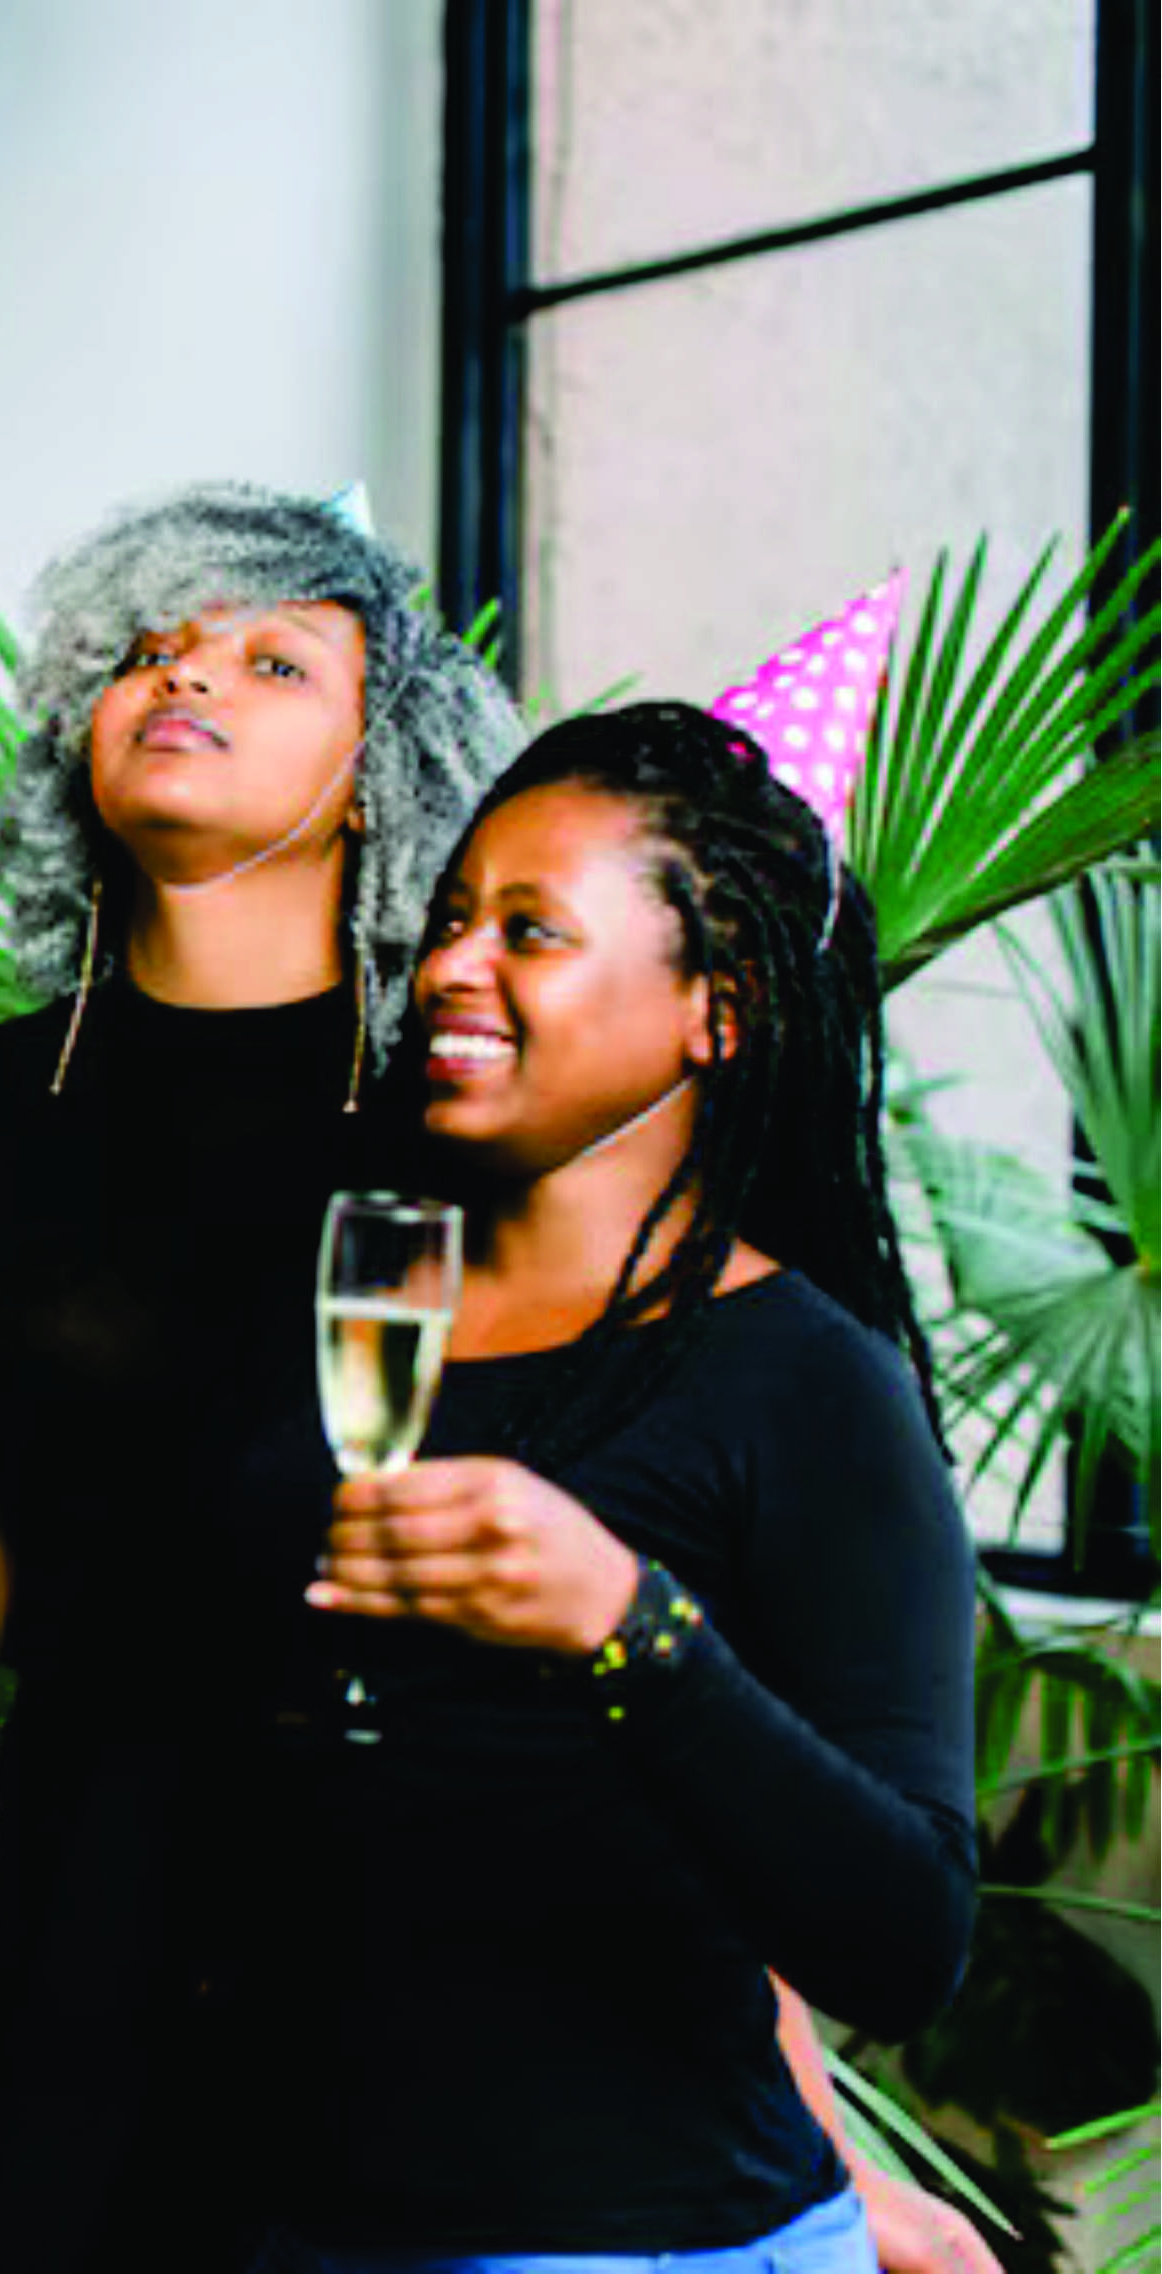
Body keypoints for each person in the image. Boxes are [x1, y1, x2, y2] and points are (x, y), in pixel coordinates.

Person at [0, 491, 995, 2274]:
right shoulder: (60, 1149)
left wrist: (805, 2152)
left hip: (539, 2170)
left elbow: (736, 1807)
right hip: (184, 2063)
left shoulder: (586, 1234)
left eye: (273, 655)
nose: (466, 970)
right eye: (148, 643)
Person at [0, 482, 521, 2273]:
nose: (184, 678)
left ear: (387, 763)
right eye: (146, 649)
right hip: (86, 1927)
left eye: (272, 658)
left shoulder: (468, 1099)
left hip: (428, 1929)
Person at [235, 701, 979, 2267]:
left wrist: (622, 1624)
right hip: (304, 2214)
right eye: (448, 921)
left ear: (717, 1008)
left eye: (530, 931)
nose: (448, 966)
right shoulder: (351, 1303)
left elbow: (903, 1934)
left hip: (640, 2236)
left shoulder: (805, 1381)